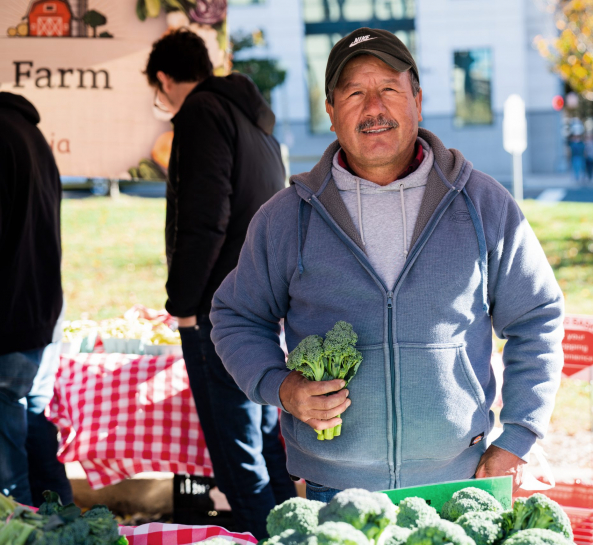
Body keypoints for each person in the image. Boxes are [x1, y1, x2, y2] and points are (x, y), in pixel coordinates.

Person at [210, 28, 564, 503]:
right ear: (331, 112)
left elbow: (537, 317)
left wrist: (518, 438)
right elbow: (236, 316)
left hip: (460, 481)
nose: (374, 107)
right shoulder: (286, 217)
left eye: (390, 89)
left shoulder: (483, 205)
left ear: (417, 99)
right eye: (355, 92)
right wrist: (281, 387)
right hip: (333, 488)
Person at [144, 30, 295, 537]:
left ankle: (264, 537)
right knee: (265, 439)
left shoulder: (201, 114)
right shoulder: (253, 121)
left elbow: (204, 218)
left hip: (219, 309)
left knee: (237, 453)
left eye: (156, 92)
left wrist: (183, 303)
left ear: (164, 79)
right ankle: (291, 533)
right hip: (262, 303)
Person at [0, 92, 73, 505]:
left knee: (8, 466)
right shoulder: (30, 134)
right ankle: (61, 523)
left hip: (10, 318)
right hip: (42, 310)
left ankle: (22, 527)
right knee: (36, 425)